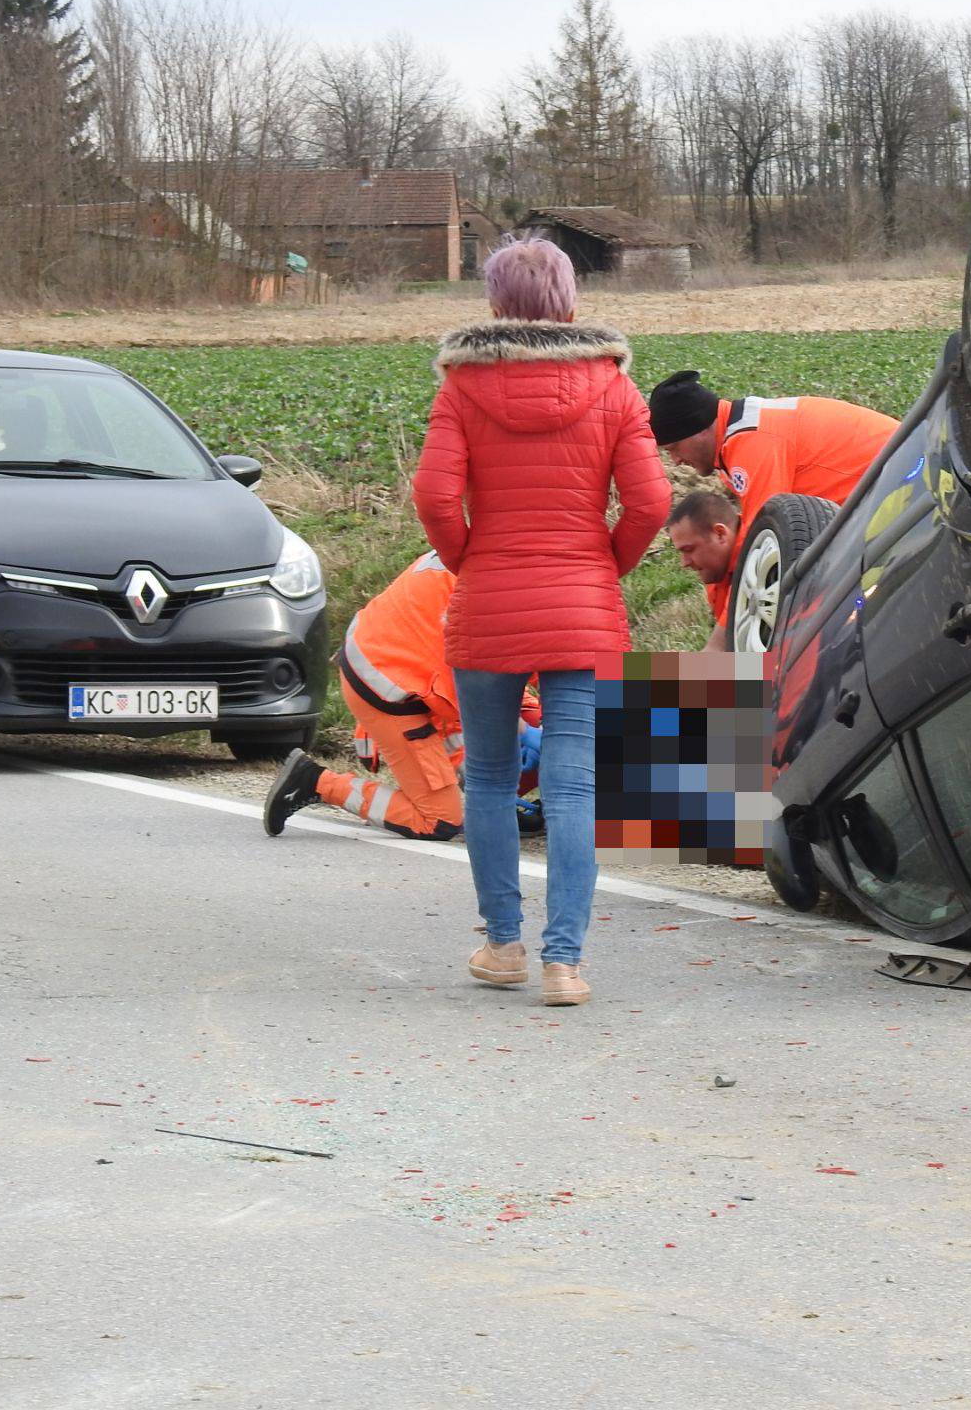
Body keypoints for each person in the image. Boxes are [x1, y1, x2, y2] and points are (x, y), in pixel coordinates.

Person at [412, 236, 670, 1007]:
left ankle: (503, 946)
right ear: (570, 304)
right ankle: (566, 962)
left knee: (489, 777)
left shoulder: (462, 387)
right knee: (576, 786)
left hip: (490, 599)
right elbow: (652, 503)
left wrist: (470, 561)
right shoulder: (616, 389)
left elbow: (432, 496)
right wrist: (605, 566)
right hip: (583, 606)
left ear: (495, 306)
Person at [261, 550, 542, 841]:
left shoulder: (495, 554)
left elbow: (540, 663)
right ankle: (315, 782)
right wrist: (523, 733)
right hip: (391, 692)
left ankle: (493, 802)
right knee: (439, 820)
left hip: (427, 678)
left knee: (541, 725)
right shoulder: (499, 589)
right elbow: (480, 698)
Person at [647, 371, 897, 637]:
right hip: (878, 492)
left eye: (674, 448)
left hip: (903, 484)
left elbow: (765, 544)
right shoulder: (737, 436)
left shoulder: (750, 442)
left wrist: (724, 636)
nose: (674, 461)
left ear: (697, 429)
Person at [663, 490, 741, 651]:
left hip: (780, 669)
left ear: (720, 534)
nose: (684, 563)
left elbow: (716, 653)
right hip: (766, 667)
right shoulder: (719, 570)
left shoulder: (754, 569)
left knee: (616, 671)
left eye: (689, 549)